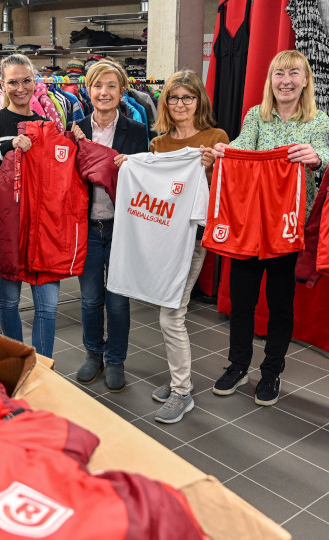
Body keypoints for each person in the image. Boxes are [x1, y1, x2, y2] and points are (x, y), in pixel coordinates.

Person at [210, 50, 329, 407]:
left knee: (280, 305)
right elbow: (242, 146)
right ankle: (237, 364)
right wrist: (225, 151)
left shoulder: (318, 121)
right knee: (242, 302)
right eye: (279, 74)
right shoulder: (256, 116)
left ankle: (272, 369)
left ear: (305, 80)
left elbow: (325, 154)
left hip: (289, 230)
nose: (286, 81)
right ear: (270, 80)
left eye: (294, 73)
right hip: (250, 227)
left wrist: (316, 157)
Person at [138, 70, 228, 423]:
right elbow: (153, 190)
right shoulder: (159, 143)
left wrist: (214, 166)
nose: (180, 104)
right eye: (174, 98)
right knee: (168, 312)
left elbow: (230, 188)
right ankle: (178, 380)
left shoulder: (215, 138)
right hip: (164, 237)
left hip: (191, 238)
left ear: (199, 102)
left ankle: (182, 391)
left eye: (187, 97)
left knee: (171, 315)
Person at [0, 54, 60, 358]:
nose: (20, 87)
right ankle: (15, 361)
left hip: (42, 231)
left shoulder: (48, 125)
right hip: (4, 229)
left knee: (47, 307)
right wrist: (7, 147)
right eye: (12, 82)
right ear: (2, 84)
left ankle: (44, 368)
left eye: (26, 80)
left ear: (35, 82)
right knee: (8, 302)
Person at [70, 60, 149, 393]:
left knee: (118, 301)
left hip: (121, 227)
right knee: (89, 299)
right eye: (97, 86)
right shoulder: (75, 129)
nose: (104, 92)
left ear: (121, 92)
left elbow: (145, 179)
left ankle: (116, 359)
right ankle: (93, 354)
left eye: (111, 86)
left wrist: (131, 166)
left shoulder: (136, 130)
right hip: (86, 225)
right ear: (88, 91)